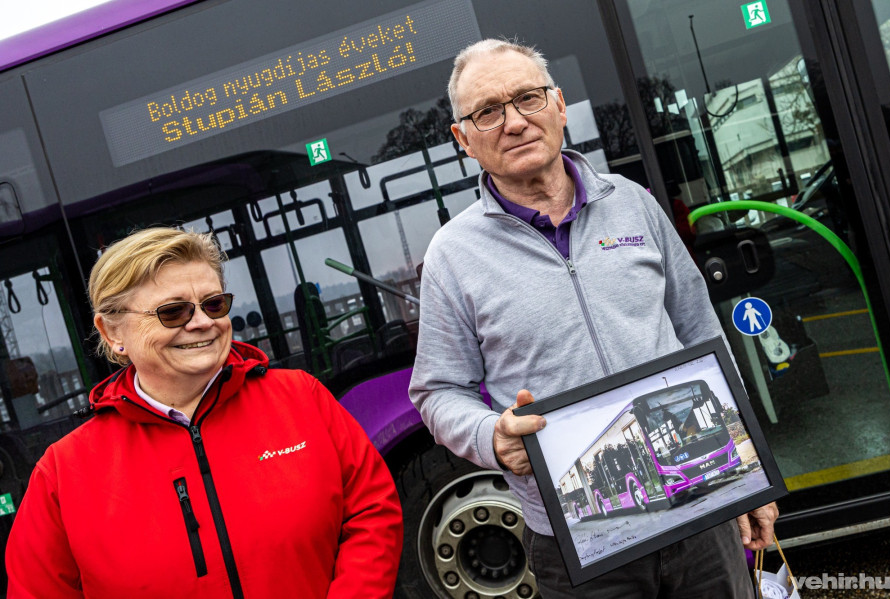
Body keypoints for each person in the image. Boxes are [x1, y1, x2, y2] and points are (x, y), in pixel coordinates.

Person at [409, 39, 778, 598]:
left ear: (559, 106)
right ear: (464, 140)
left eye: (528, 98)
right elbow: (437, 391)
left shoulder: (633, 203)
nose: (514, 122)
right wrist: (491, 436)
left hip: (702, 506)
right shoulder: (451, 256)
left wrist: (750, 475)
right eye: (487, 112)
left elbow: (701, 333)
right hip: (575, 538)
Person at [6, 227, 403, 598]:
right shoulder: (63, 474)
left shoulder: (301, 397)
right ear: (113, 333)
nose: (202, 323)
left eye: (214, 304)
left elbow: (372, 511)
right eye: (173, 312)